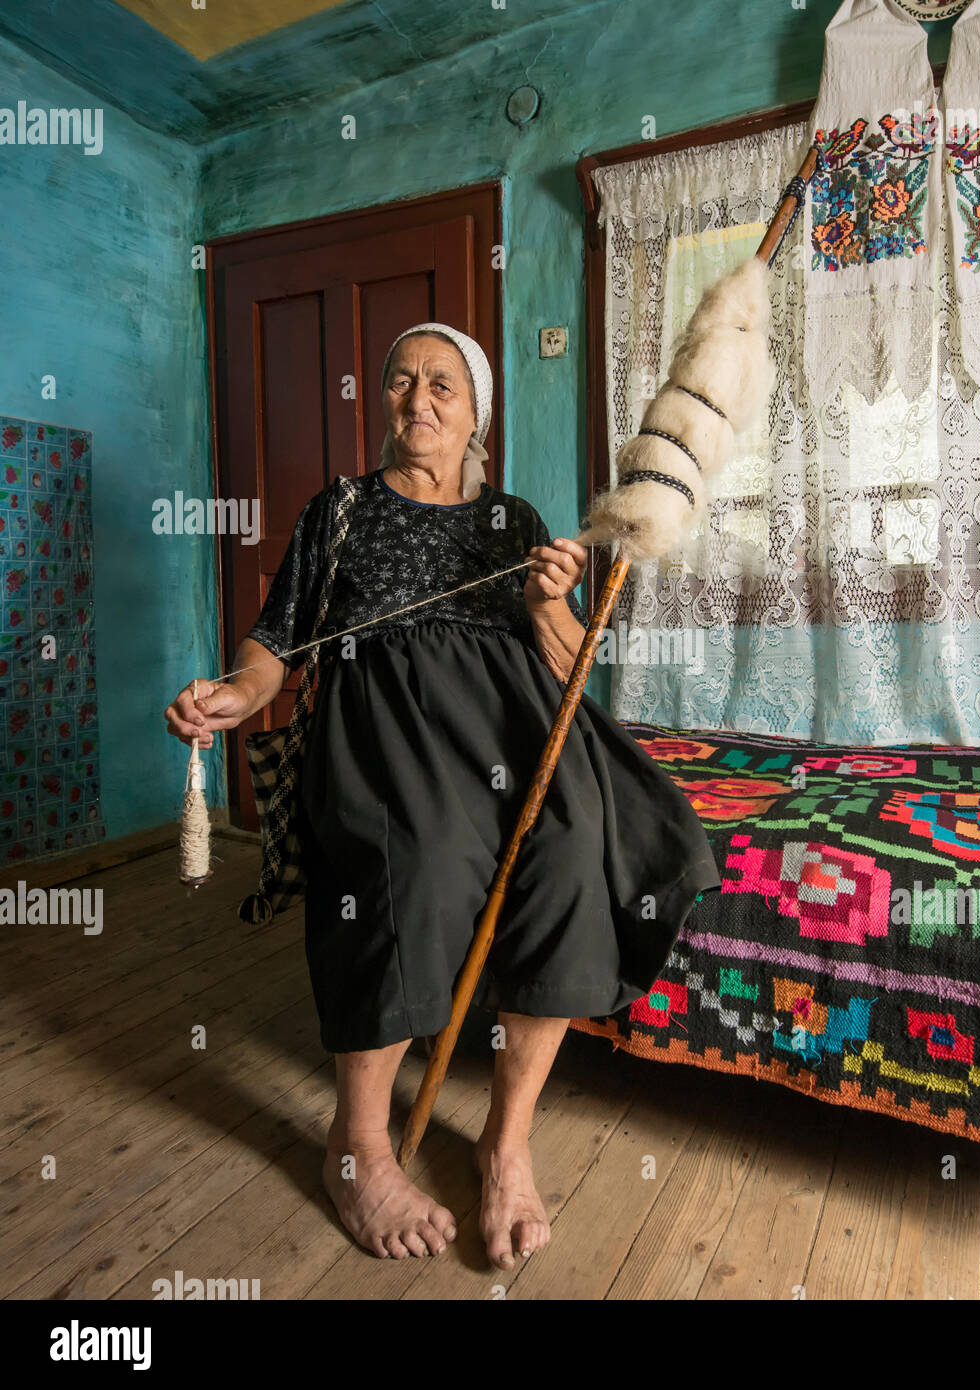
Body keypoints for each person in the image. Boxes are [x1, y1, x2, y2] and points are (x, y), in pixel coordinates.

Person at [164, 323, 721, 1270]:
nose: (417, 401)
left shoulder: (509, 520)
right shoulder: (337, 513)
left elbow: (565, 661)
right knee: (413, 854)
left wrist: (551, 601)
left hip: (510, 730)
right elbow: (276, 643)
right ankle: (362, 1150)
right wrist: (234, 695)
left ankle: (505, 1143)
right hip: (383, 734)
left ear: (477, 417)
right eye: (399, 383)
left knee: (573, 841)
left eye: (442, 387)